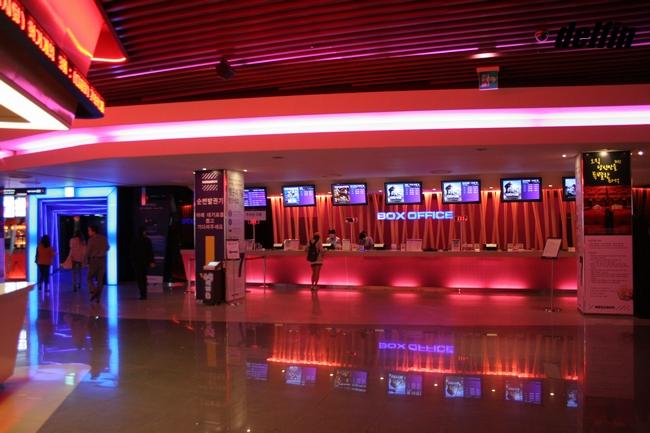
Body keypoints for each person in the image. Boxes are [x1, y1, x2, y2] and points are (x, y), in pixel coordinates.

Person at [85, 225, 109, 303]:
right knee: (100, 279)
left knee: (89, 277)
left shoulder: (91, 240)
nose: (88, 232)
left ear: (93, 231)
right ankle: (98, 298)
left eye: (89, 230)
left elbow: (88, 252)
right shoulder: (104, 238)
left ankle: (95, 291)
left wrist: (85, 260)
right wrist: (101, 251)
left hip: (94, 260)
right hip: (103, 260)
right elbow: (108, 247)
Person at [131, 227, 154, 300]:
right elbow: (150, 251)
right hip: (144, 262)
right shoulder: (147, 240)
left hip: (137, 262)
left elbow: (132, 252)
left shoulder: (135, 240)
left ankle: (142, 294)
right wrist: (151, 261)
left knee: (140, 278)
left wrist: (132, 261)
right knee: (143, 278)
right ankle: (144, 294)